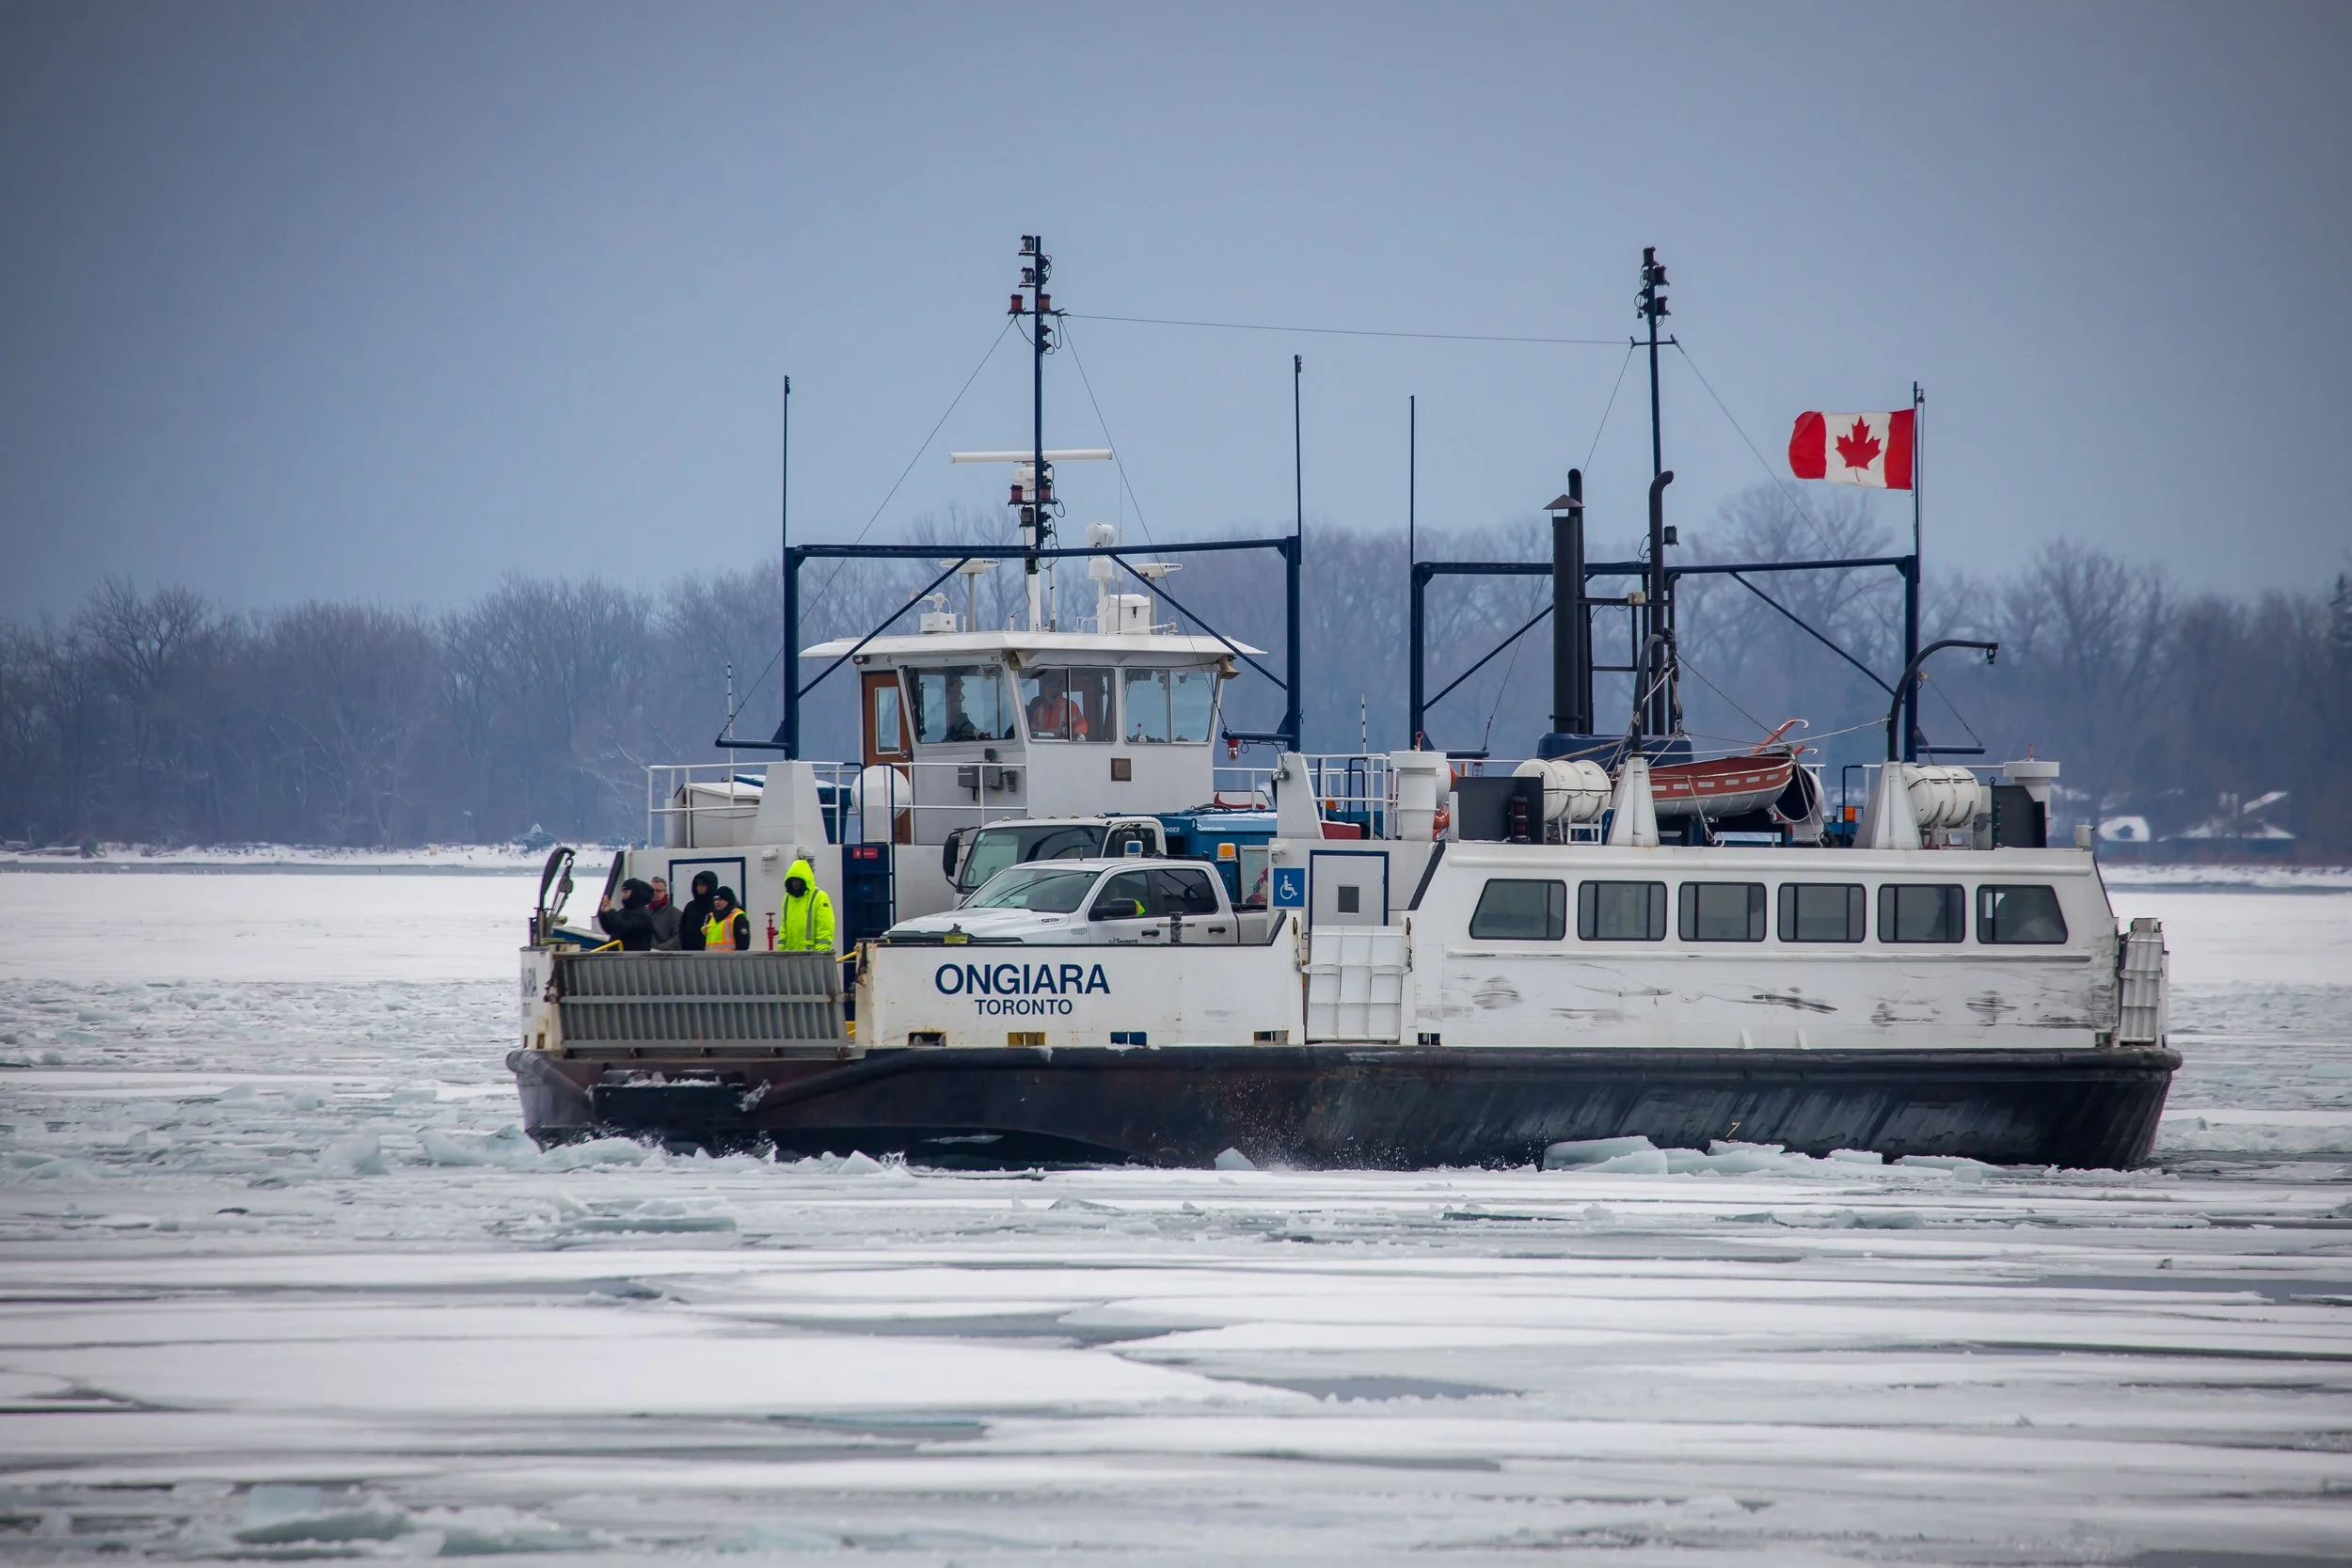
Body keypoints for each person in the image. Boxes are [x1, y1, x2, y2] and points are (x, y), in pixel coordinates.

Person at [774, 856, 836, 953]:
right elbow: (783, 928)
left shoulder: (819, 897)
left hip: (811, 956)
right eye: (793, 880)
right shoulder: (788, 898)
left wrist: (821, 953)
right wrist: (781, 951)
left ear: (805, 880)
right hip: (790, 957)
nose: (795, 883)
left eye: (797, 880)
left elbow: (825, 927)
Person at [596, 878, 658, 951]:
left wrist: (610, 911)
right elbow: (610, 929)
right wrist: (604, 914)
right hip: (618, 956)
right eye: (623, 892)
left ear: (635, 893)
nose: (623, 895)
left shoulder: (643, 914)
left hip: (634, 957)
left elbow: (626, 927)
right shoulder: (623, 911)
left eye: (626, 892)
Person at [676, 870, 720, 951]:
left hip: (711, 952)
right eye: (698, 885)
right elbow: (682, 928)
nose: (700, 887)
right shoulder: (690, 906)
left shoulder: (716, 907)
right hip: (690, 952)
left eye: (703, 885)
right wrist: (684, 943)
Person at [703, 885, 753, 952]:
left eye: (720, 900)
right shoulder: (711, 916)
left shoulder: (737, 917)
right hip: (711, 959)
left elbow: (743, 943)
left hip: (730, 960)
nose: (717, 902)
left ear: (728, 901)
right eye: (715, 900)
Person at [645, 877, 682, 949]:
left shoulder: (675, 914)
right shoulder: (645, 912)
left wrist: (659, 949)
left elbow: (678, 938)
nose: (655, 893)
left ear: (665, 892)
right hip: (646, 955)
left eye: (658, 891)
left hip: (667, 956)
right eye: (653, 891)